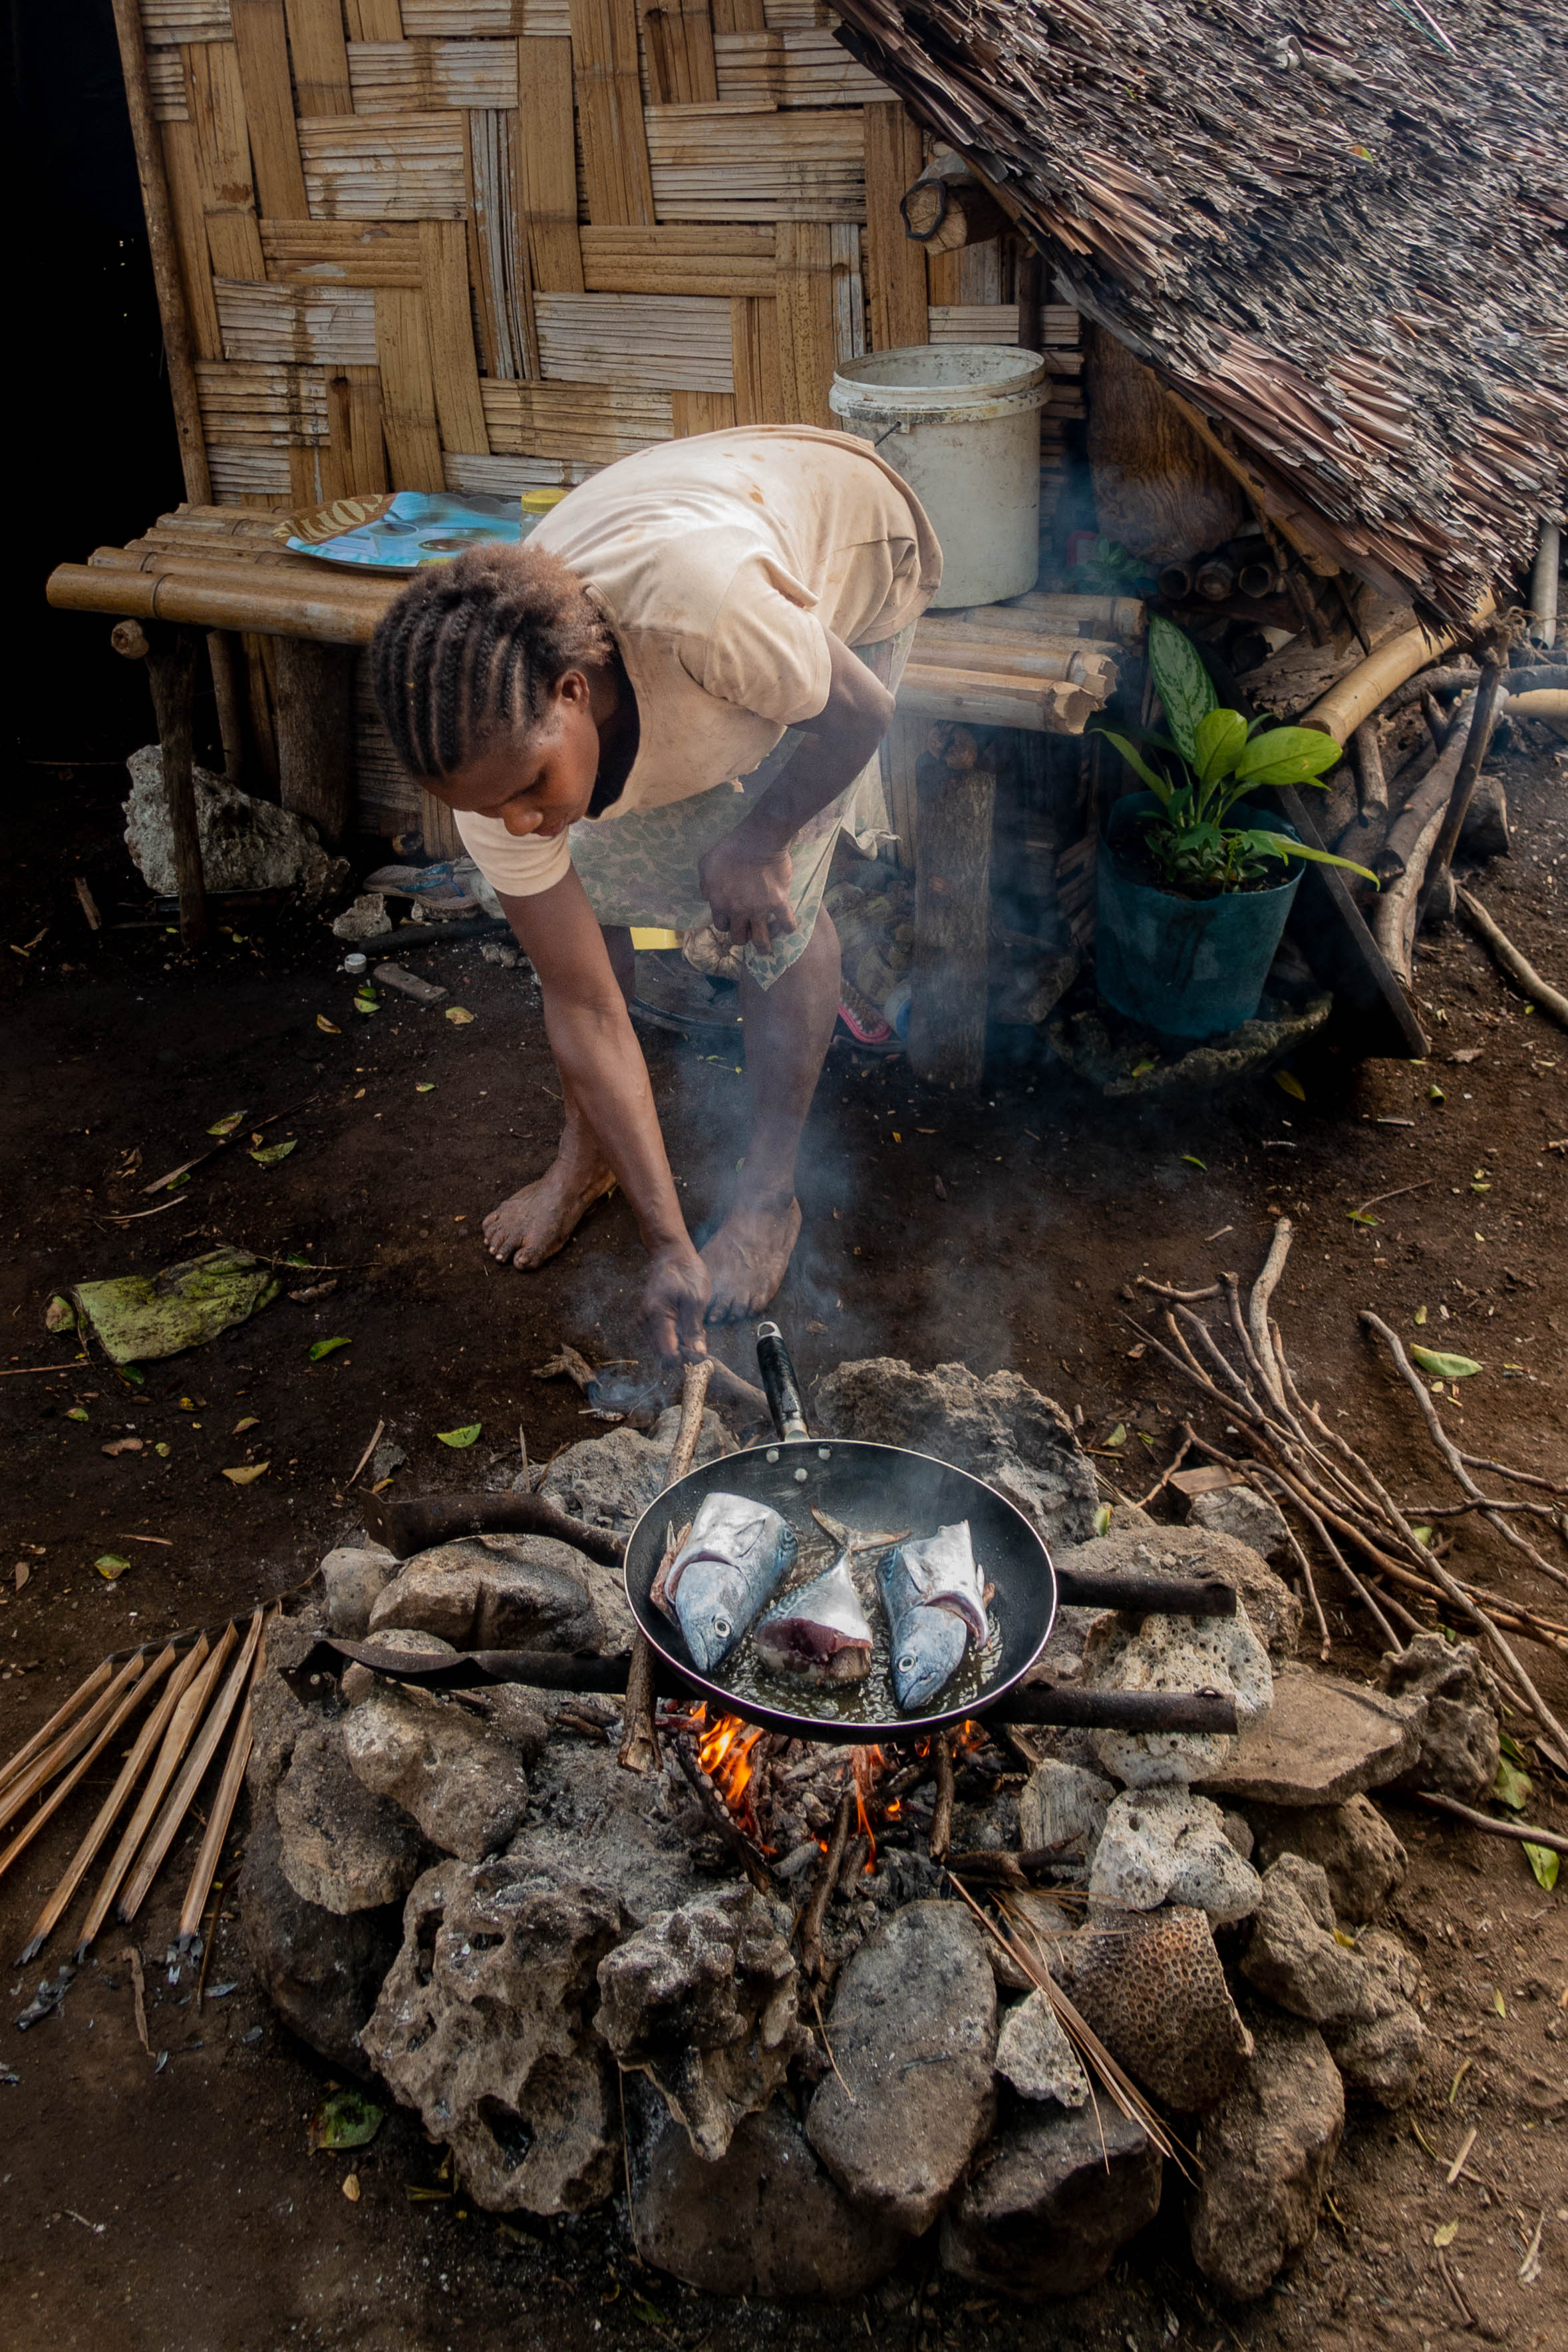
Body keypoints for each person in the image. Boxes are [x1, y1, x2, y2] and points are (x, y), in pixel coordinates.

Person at [371, 424, 941, 1359]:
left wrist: (760, 838)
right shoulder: (489, 767)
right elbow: (584, 1003)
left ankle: (767, 1198)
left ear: (571, 691)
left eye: (525, 791)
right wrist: (667, 1243)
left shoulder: (705, 615)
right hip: (684, 591)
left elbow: (856, 715)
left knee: (774, 913)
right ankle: (585, 1156)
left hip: (846, 557)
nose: (515, 823)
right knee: (587, 875)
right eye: (488, 810)